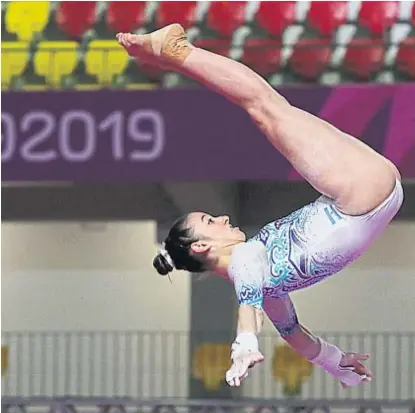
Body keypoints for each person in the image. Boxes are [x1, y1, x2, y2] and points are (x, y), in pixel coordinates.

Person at [117, 24, 404, 389]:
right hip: (357, 193)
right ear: (201, 246)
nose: (222, 217)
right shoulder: (246, 263)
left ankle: (174, 59)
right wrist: (245, 345)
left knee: (268, 109)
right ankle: (175, 51)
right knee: (263, 107)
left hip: (368, 195)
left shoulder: (266, 286)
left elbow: (293, 333)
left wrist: (335, 363)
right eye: (209, 220)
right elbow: (247, 302)